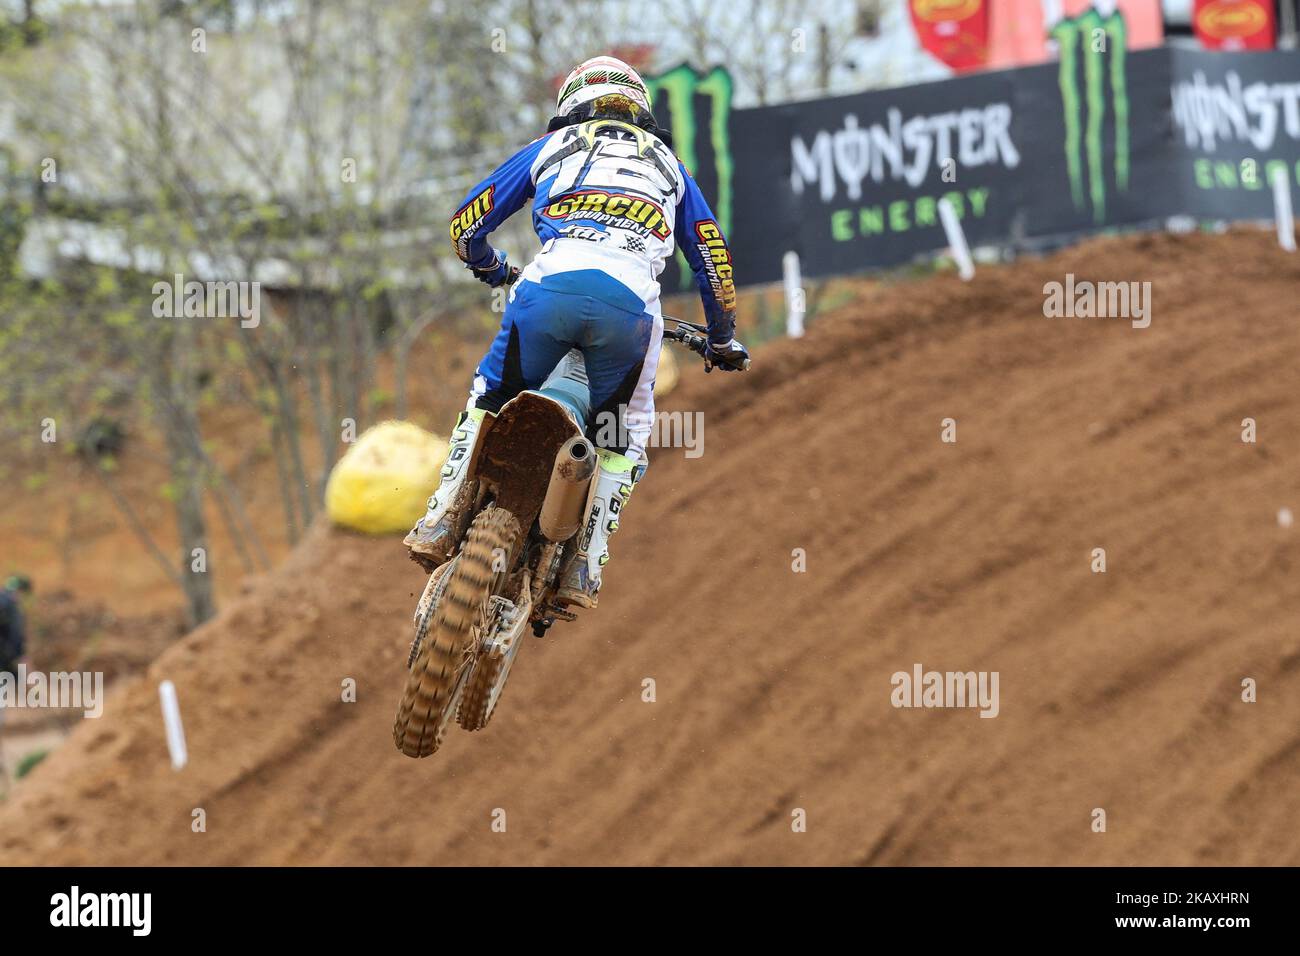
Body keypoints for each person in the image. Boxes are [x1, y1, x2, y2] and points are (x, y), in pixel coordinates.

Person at [404, 55, 748, 608]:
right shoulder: (670, 166)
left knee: (488, 395)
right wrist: (723, 336)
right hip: (631, 314)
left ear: (569, 105)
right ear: (641, 109)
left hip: (546, 294)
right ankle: (586, 559)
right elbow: (713, 259)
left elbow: (465, 225)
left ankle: (442, 515)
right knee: (626, 431)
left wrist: (492, 268)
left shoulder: (553, 148)